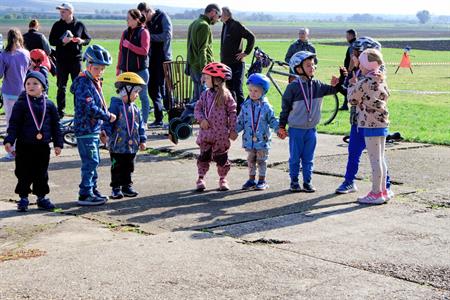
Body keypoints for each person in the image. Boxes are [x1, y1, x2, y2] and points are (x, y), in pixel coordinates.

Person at [335, 37, 392, 200]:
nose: (353, 57)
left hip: (367, 122)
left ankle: (380, 189)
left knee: (376, 158)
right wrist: (342, 82)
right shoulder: (378, 76)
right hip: (363, 121)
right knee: (358, 152)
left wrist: (352, 84)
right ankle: (352, 181)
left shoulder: (366, 77)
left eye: (356, 54)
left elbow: (352, 97)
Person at [277, 51, 340, 193]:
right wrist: (281, 126)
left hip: (311, 130)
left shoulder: (317, 85)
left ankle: (307, 182)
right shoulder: (292, 87)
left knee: (308, 158)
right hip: (296, 130)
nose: (312, 67)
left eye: (313, 65)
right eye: (308, 65)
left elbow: (333, 90)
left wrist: (339, 81)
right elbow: (285, 108)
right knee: (295, 158)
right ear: (299, 69)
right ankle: (294, 181)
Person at [3, 71, 63, 212]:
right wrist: (9, 140)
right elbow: (14, 124)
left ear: (43, 86)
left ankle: (41, 197)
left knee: (41, 172)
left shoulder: (49, 105)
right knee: (23, 172)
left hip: (42, 146)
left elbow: (56, 125)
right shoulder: (21, 104)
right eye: (28, 83)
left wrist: (58, 143)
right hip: (25, 146)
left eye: (35, 83)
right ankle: (23, 198)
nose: (31, 86)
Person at [71, 45, 116, 206]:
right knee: (90, 161)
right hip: (86, 129)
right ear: (88, 65)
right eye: (97, 68)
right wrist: (108, 116)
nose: (100, 72)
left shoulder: (93, 81)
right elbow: (89, 108)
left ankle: (92, 189)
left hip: (93, 129)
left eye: (102, 69)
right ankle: (85, 193)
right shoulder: (84, 83)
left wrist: (102, 127)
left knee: (94, 161)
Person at [347, 49, 390, 205]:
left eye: (362, 64)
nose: (360, 67)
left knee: (374, 161)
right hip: (382, 123)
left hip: (370, 124)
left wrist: (352, 85)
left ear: (366, 65)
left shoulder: (364, 82)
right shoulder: (381, 79)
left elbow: (352, 99)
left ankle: (376, 193)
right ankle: (384, 190)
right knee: (381, 159)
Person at [101, 72, 147, 199]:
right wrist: (105, 133)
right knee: (117, 167)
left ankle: (127, 186)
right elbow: (108, 123)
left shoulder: (136, 109)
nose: (137, 95)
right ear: (126, 90)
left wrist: (142, 140)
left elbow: (140, 126)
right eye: (135, 92)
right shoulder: (115, 107)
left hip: (132, 146)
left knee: (129, 166)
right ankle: (116, 188)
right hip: (117, 145)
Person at [194, 62, 237, 192]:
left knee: (222, 158)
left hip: (221, 135)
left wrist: (233, 129)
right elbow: (197, 108)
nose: (204, 80)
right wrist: (201, 119)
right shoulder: (205, 94)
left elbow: (233, 112)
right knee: (204, 156)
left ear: (216, 80)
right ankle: (200, 178)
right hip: (206, 133)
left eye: (207, 78)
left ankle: (223, 178)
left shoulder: (226, 95)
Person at [236, 73, 278, 190]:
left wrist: (279, 128)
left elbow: (273, 120)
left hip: (262, 141)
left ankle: (262, 180)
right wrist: (234, 130)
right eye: (250, 90)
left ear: (263, 91)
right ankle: (251, 179)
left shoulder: (266, 107)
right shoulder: (245, 106)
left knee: (261, 161)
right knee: (250, 160)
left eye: (256, 91)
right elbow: (240, 121)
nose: (252, 93)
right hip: (249, 140)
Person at [49, 2, 91, 119]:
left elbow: (88, 39)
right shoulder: (57, 25)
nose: (61, 13)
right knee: (61, 87)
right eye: (60, 11)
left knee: (77, 87)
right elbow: (51, 41)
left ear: (70, 12)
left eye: (63, 11)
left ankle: (77, 111)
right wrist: (63, 42)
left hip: (76, 60)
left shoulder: (80, 25)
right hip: (61, 61)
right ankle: (60, 112)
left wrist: (81, 41)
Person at [137, 2, 173, 128]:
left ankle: (172, 118)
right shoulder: (147, 23)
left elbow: (167, 35)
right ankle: (158, 118)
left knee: (164, 89)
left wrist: (149, 37)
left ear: (148, 11)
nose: (142, 19)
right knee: (152, 88)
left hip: (163, 58)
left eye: (143, 15)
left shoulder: (163, 17)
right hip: (151, 59)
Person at [185, 3, 222, 117]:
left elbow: (189, 47)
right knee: (204, 100)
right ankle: (186, 121)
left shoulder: (194, 23)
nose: (218, 20)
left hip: (193, 67)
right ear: (213, 12)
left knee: (196, 99)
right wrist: (205, 72)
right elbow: (203, 50)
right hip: (201, 69)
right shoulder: (204, 25)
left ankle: (184, 121)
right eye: (218, 16)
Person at [117, 9, 151, 127]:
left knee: (143, 96)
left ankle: (144, 122)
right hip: (126, 72)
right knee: (125, 96)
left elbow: (144, 51)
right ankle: (127, 121)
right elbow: (121, 51)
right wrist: (118, 67)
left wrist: (130, 46)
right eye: (127, 18)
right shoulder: (125, 33)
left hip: (140, 71)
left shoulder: (143, 32)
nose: (127, 20)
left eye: (129, 19)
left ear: (136, 20)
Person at [0, 28, 31, 161]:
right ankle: (22, 149)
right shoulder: (26, 53)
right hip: (23, 92)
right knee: (23, 122)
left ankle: (11, 150)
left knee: (10, 123)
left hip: (9, 92)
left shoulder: (4, 55)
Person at [220, 7, 255, 114]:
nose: (219, 16)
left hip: (237, 64)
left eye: (221, 14)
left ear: (226, 15)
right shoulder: (225, 25)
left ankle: (242, 114)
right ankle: (232, 113)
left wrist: (246, 52)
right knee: (229, 89)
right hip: (226, 65)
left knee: (237, 89)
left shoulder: (236, 25)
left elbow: (251, 37)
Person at [339, 29, 357, 111]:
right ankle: (345, 104)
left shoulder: (353, 45)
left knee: (345, 87)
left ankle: (347, 105)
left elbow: (352, 59)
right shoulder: (356, 44)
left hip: (351, 71)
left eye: (347, 36)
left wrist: (349, 70)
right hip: (354, 71)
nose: (346, 38)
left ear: (351, 36)